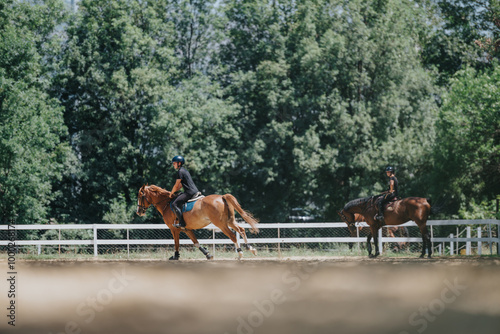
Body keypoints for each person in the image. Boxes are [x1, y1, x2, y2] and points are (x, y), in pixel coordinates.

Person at [170, 155, 199, 228]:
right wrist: (174, 191)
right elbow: (180, 186)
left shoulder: (180, 172)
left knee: (174, 204)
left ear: (179, 163)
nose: (173, 165)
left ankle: (182, 223)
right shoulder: (184, 170)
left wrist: (171, 193)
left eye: (174, 163)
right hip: (194, 190)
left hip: (189, 192)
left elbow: (176, 185)